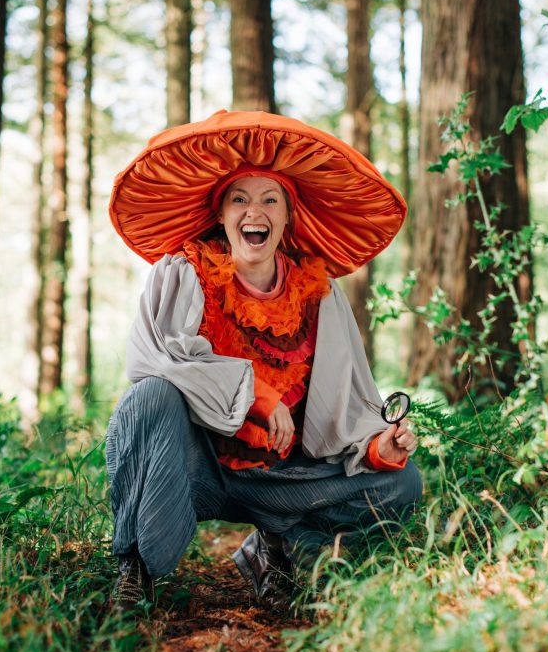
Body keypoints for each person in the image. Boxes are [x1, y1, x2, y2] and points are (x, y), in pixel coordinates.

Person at [105, 110, 422, 612]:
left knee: (402, 482)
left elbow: (347, 396)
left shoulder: (319, 293)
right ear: (221, 214)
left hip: (285, 476)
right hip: (197, 465)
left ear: (287, 217)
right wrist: (255, 392)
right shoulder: (184, 273)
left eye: (270, 199)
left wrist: (379, 444)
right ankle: (135, 567)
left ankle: (279, 548)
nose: (255, 211)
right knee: (147, 397)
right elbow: (154, 358)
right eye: (240, 199)